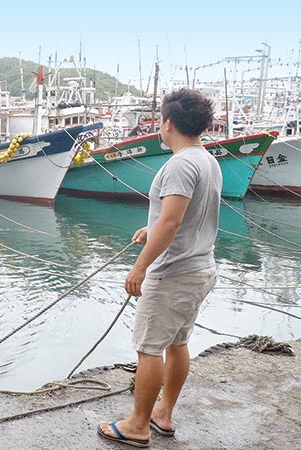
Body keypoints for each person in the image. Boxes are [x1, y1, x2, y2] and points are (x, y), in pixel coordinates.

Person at [97, 89, 221, 448]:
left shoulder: (180, 164)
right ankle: (163, 414)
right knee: (178, 342)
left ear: (168, 123)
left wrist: (138, 268)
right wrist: (152, 228)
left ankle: (138, 425)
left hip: (173, 273)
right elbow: (183, 217)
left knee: (149, 347)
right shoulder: (207, 160)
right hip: (200, 267)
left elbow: (171, 222)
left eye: (160, 123)